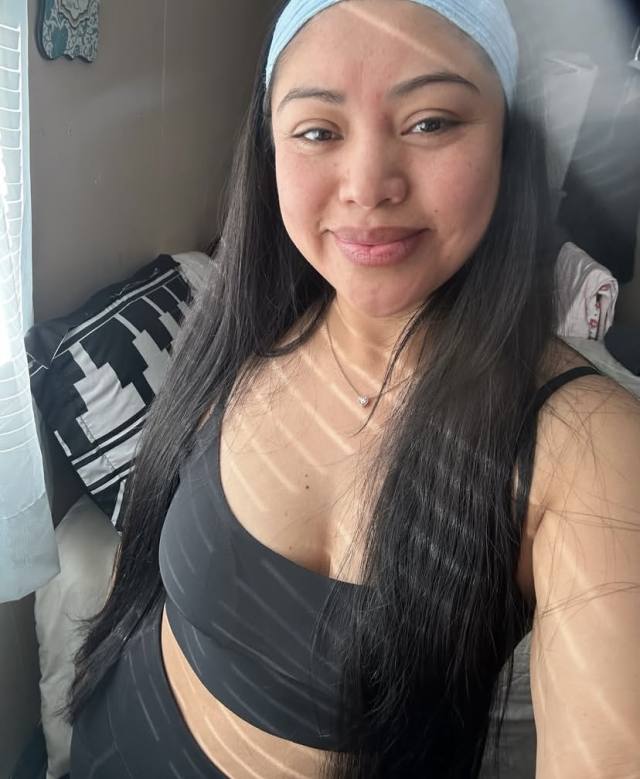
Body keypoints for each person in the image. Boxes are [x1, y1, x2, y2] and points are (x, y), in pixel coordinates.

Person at [67, 0, 640, 777]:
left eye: (431, 122)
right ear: (270, 149)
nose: (368, 186)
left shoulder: (587, 446)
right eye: (317, 131)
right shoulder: (250, 324)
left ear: (509, 142)